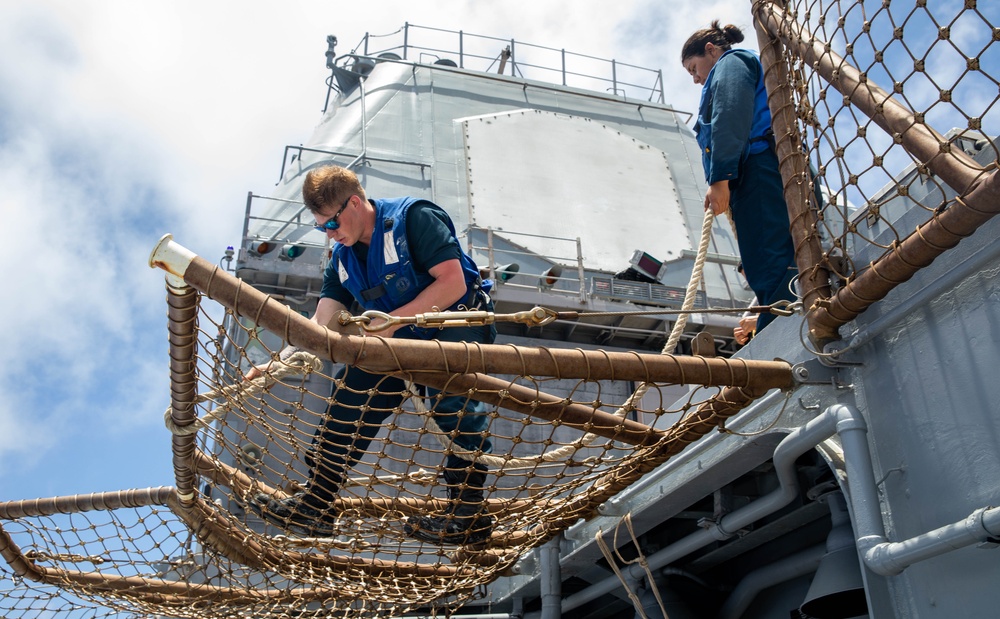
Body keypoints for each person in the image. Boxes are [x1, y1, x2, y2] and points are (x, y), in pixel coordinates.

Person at [249, 165, 496, 545]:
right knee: (349, 399)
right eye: (321, 229)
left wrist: (391, 323)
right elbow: (323, 322)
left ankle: (468, 514)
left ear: (354, 203)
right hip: (393, 339)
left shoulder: (414, 218)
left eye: (331, 224)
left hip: (454, 325)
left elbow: (453, 281)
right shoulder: (342, 261)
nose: (329, 234)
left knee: (455, 408)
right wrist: (280, 362)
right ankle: (318, 504)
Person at [682, 21, 797, 333]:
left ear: (711, 50)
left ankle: (782, 328)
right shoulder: (738, 64)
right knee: (771, 254)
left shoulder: (731, 63)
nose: (695, 79)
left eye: (694, 68)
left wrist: (719, 180)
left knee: (769, 256)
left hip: (758, 167)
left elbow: (729, 115)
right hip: (761, 169)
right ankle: (772, 318)